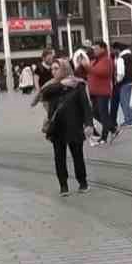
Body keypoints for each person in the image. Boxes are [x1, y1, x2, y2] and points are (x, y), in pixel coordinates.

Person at [34, 60, 92, 196]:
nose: (53, 71)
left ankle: (82, 182)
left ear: (65, 69)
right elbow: (44, 94)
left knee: (78, 156)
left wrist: (88, 124)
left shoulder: (78, 85)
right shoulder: (51, 86)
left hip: (74, 126)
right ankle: (63, 185)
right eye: (52, 69)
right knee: (59, 157)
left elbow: (85, 106)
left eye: (56, 68)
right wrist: (61, 85)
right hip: (57, 128)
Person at [87, 45, 118, 145]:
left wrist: (89, 68)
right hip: (94, 92)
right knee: (95, 113)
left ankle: (104, 137)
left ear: (103, 49)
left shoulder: (106, 60)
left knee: (103, 113)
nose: (94, 51)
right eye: (94, 49)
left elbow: (103, 72)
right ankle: (113, 129)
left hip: (103, 92)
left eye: (96, 49)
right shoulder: (95, 60)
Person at [114, 45, 132, 129]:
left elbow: (121, 73)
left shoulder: (121, 59)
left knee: (125, 102)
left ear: (118, 49)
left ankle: (129, 120)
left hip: (124, 83)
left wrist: (117, 81)